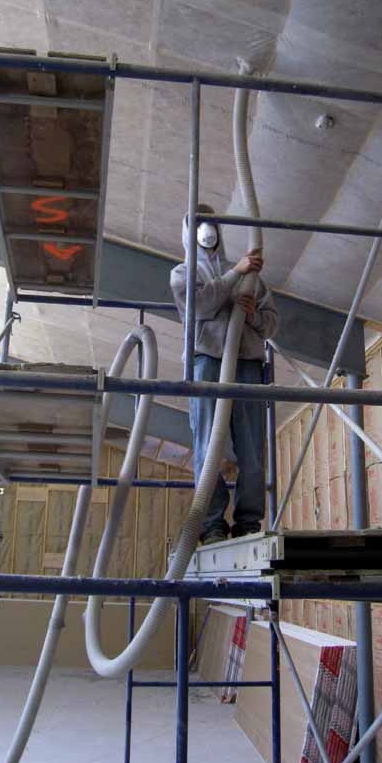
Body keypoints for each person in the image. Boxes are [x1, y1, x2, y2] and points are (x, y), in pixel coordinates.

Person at [170, 203, 279, 545]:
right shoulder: (183, 273)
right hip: (206, 362)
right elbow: (199, 306)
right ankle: (211, 523)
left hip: (246, 363)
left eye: (211, 223)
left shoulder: (249, 275)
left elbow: (271, 322)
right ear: (189, 232)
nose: (207, 230)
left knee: (252, 448)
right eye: (199, 223)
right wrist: (236, 275)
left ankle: (248, 521)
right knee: (207, 446)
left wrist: (253, 317)